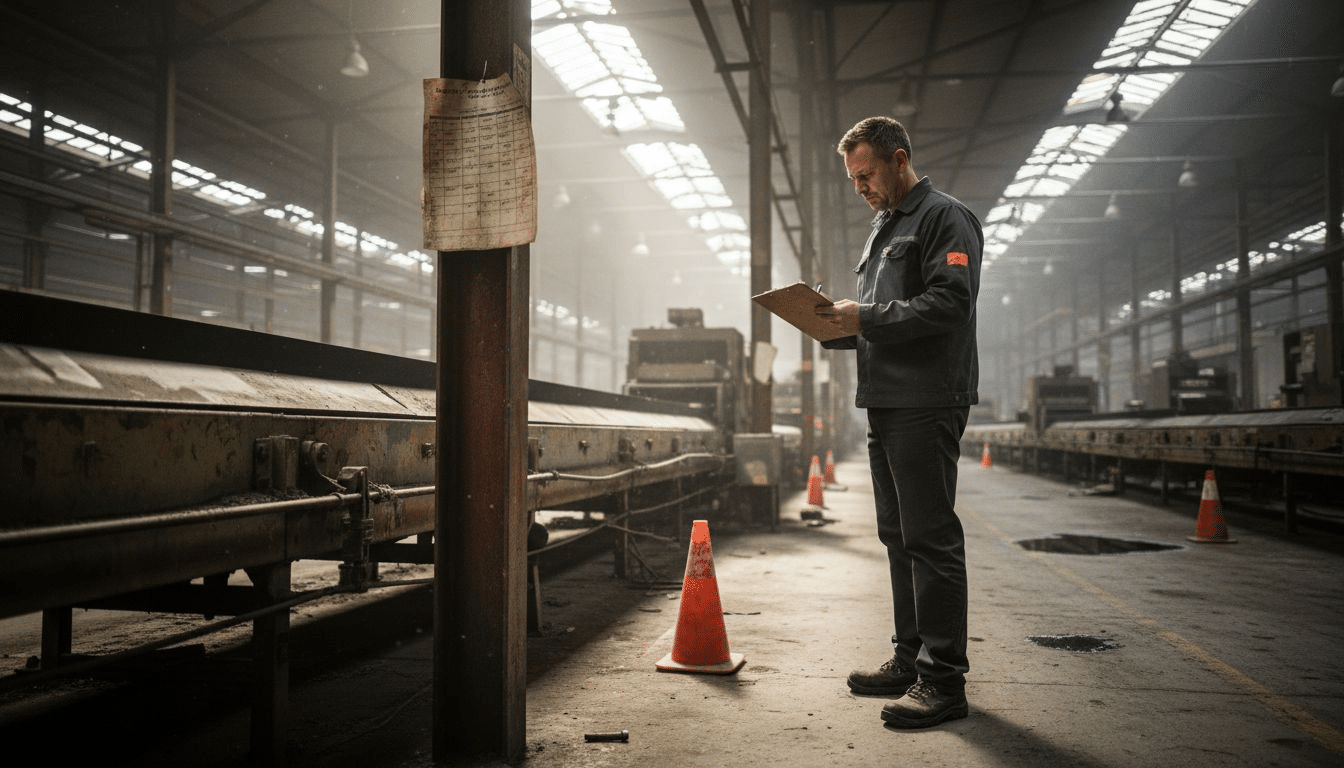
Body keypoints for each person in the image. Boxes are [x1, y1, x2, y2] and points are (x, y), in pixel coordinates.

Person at [815, 116, 981, 728]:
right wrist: (836, 325)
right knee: (898, 535)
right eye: (853, 179)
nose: (860, 187)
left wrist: (868, 317)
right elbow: (883, 321)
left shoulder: (944, 218)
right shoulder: (884, 229)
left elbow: (949, 302)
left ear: (899, 158)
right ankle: (910, 658)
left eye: (867, 174)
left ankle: (944, 681)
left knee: (931, 538)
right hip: (885, 400)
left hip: (926, 400)